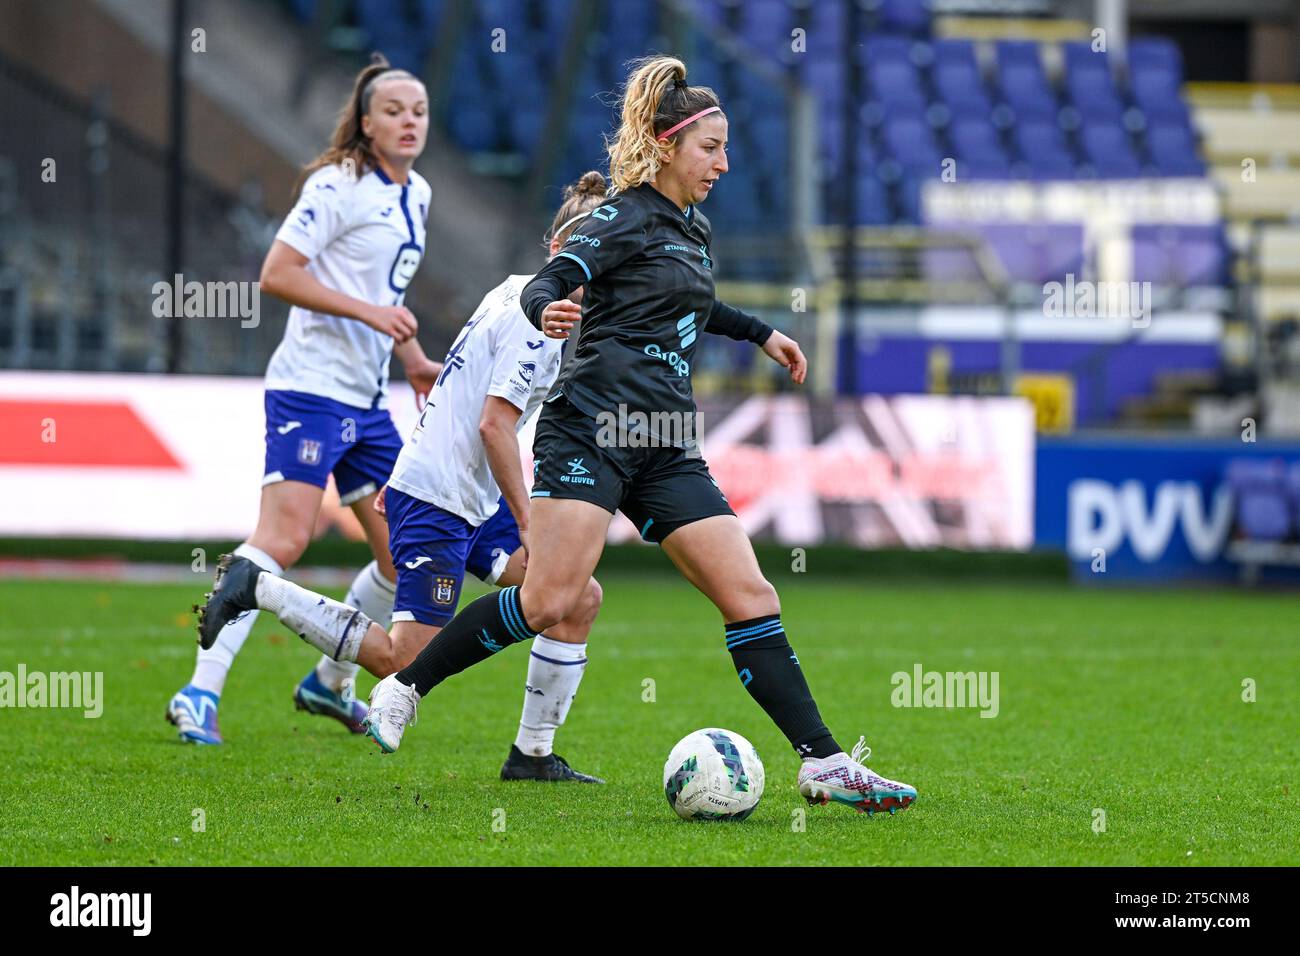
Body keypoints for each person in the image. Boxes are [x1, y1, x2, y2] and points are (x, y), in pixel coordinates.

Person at [361, 55, 917, 816]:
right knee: (551, 598)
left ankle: (821, 762)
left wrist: (761, 333)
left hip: (663, 439)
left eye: (725, 150)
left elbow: (692, 306)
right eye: (710, 149)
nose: (723, 163)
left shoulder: (692, 227)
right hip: (590, 432)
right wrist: (545, 310)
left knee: (750, 594)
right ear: (666, 147)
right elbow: (551, 280)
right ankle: (405, 686)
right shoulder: (617, 216)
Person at [195, 174, 611, 782]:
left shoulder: (514, 291)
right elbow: (495, 427)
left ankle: (532, 756)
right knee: (401, 663)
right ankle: (257, 586)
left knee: (577, 596)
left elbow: (461, 393)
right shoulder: (540, 320)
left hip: (464, 494)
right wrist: (529, 521)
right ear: (561, 249)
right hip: (442, 499)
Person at [167, 56, 443, 744]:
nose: (409, 121)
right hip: (310, 388)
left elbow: (385, 295)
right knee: (283, 538)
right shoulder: (338, 183)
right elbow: (277, 274)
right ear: (366, 122)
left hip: (366, 399)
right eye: (394, 110)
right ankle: (198, 692)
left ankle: (328, 683)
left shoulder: (421, 194)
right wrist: (370, 317)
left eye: (420, 111)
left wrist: (410, 358)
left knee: (395, 555)